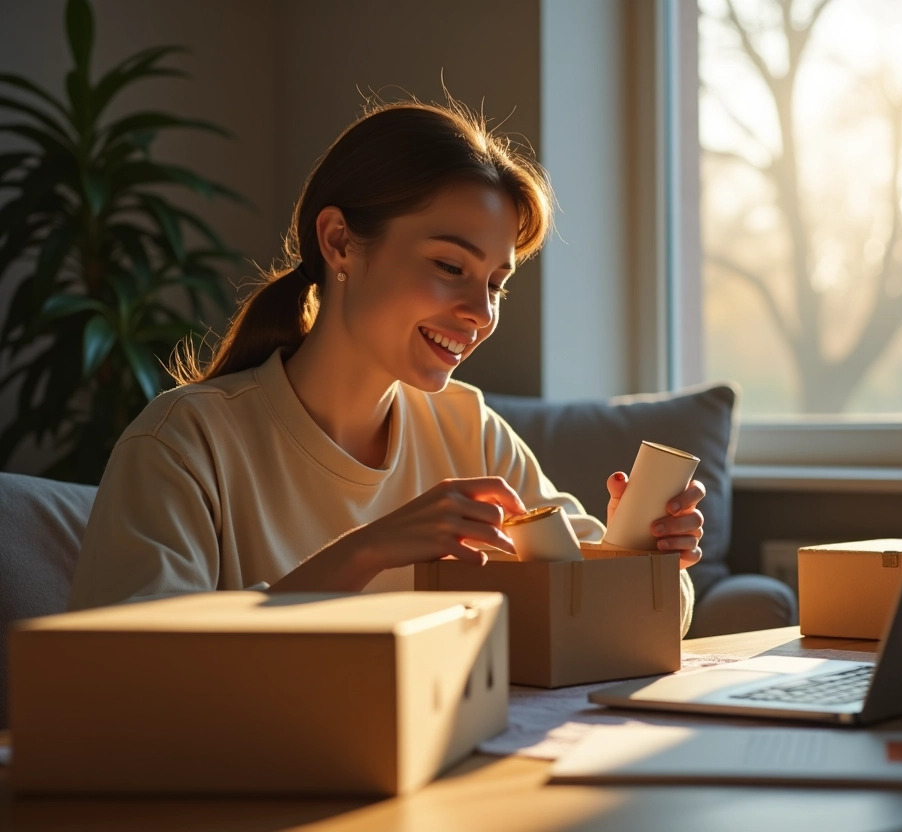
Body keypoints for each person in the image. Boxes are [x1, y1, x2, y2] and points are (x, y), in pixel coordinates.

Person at [67, 97, 703, 635]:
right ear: (339, 241)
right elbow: (133, 676)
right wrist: (365, 552)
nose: (480, 311)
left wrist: (646, 552)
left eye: (496, 283)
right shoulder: (185, 441)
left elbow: (637, 625)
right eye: (450, 267)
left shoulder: (470, 431)